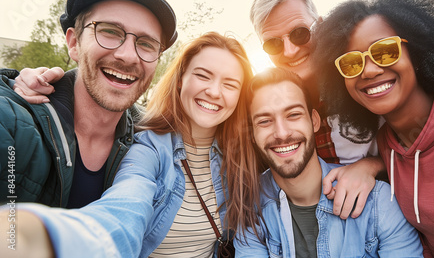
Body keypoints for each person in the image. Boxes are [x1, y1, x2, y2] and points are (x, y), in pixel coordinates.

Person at [249, 0, 434, 220]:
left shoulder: (374, 65)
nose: (290, 50)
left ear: (321, 25)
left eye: (300, 34)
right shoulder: (270, 106)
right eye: (272, 44)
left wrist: (373, 166)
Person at [0, 31, 259, 258]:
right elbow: (127, 207)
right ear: (181, 79)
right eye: (203, 76)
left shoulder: (244, 156)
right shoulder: (149, 146)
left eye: (230, 84)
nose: (215, 91)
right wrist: (41, 238)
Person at [313, 0, 434, 257]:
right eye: (352, 63)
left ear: (418, 52)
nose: (370, 70)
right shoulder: (387, 144)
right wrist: (371, 165)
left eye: (385, 51)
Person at [0, 0, 178, 208]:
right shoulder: (12, 124)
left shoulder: (154, 141)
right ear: (74, 43)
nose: (128, 55)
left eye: (146, 44)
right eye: (110, 31)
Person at [234, 68, 423, 257]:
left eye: (293, 115)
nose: (282, 133)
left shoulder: (378, 202)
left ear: (314, 121)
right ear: (252, 134)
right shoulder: (250, 208)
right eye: (265, 121)